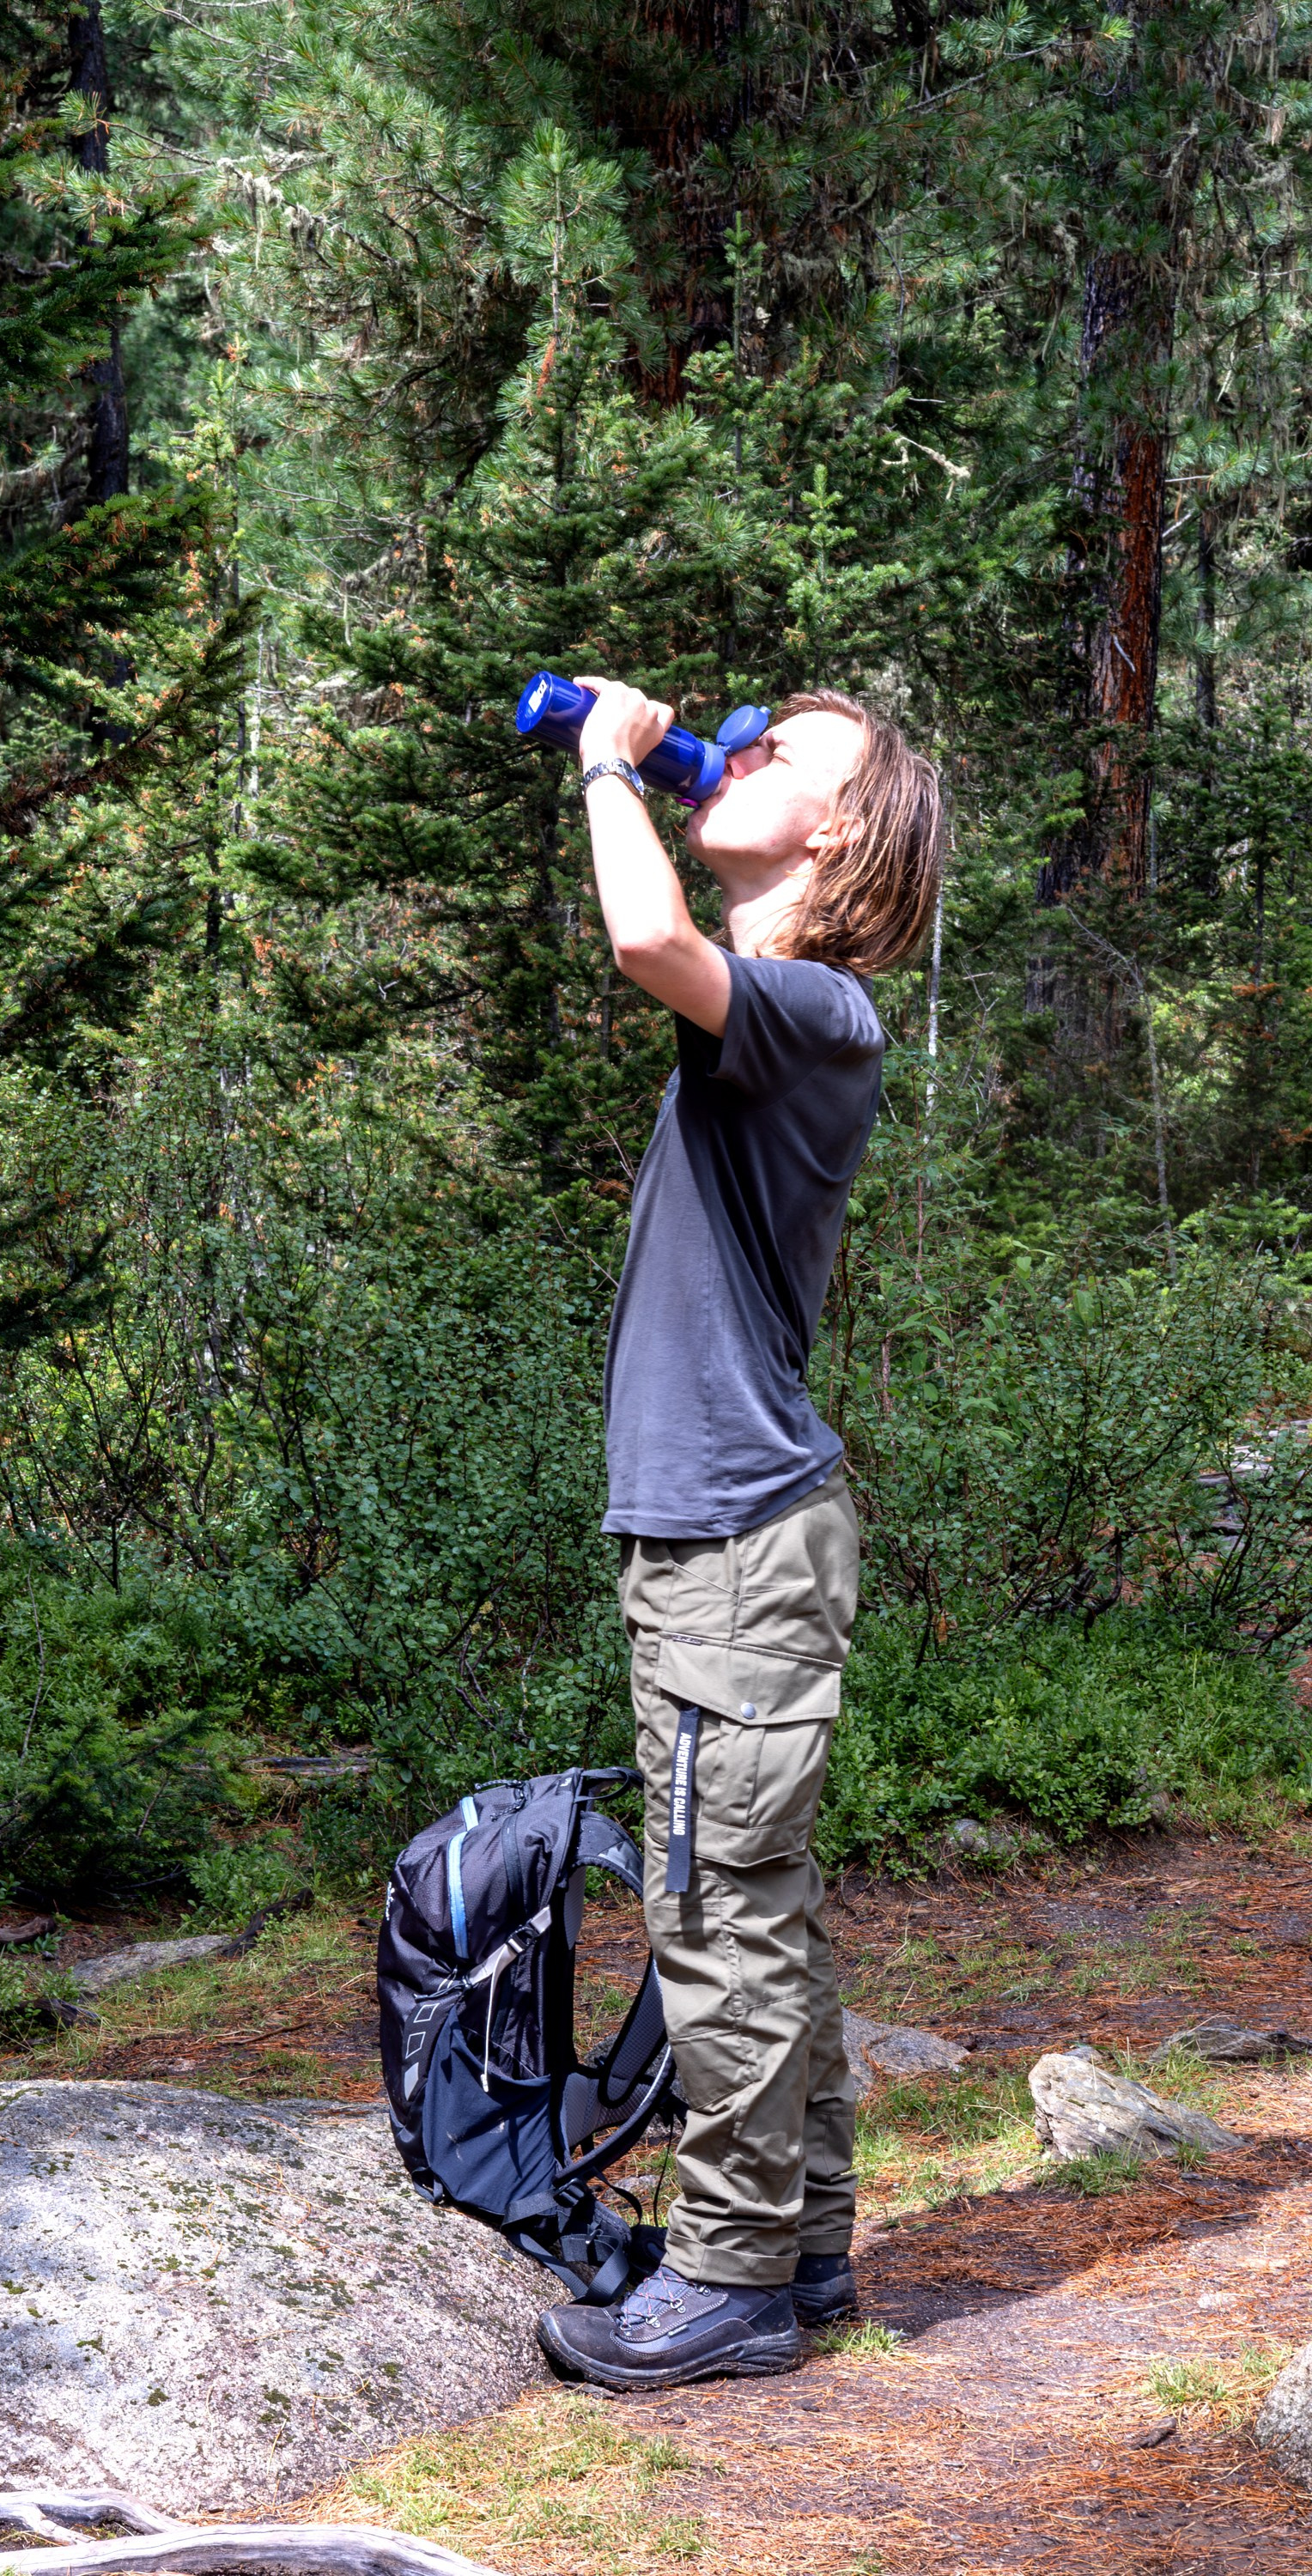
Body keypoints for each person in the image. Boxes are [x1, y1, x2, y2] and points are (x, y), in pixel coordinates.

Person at [535, 677, 943, 2392]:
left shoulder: (821, 1012)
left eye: (786, 753)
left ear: (838, 835)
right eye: (749, 737)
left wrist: (605, 765)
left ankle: (727, 2278)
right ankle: (807, 2249)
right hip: (729, 1534)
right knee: (757, 1900)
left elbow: (646, 940)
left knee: (716, 1911)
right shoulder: (772, 1017)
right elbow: (681, 957)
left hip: (736, 1540)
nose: (745, 750)